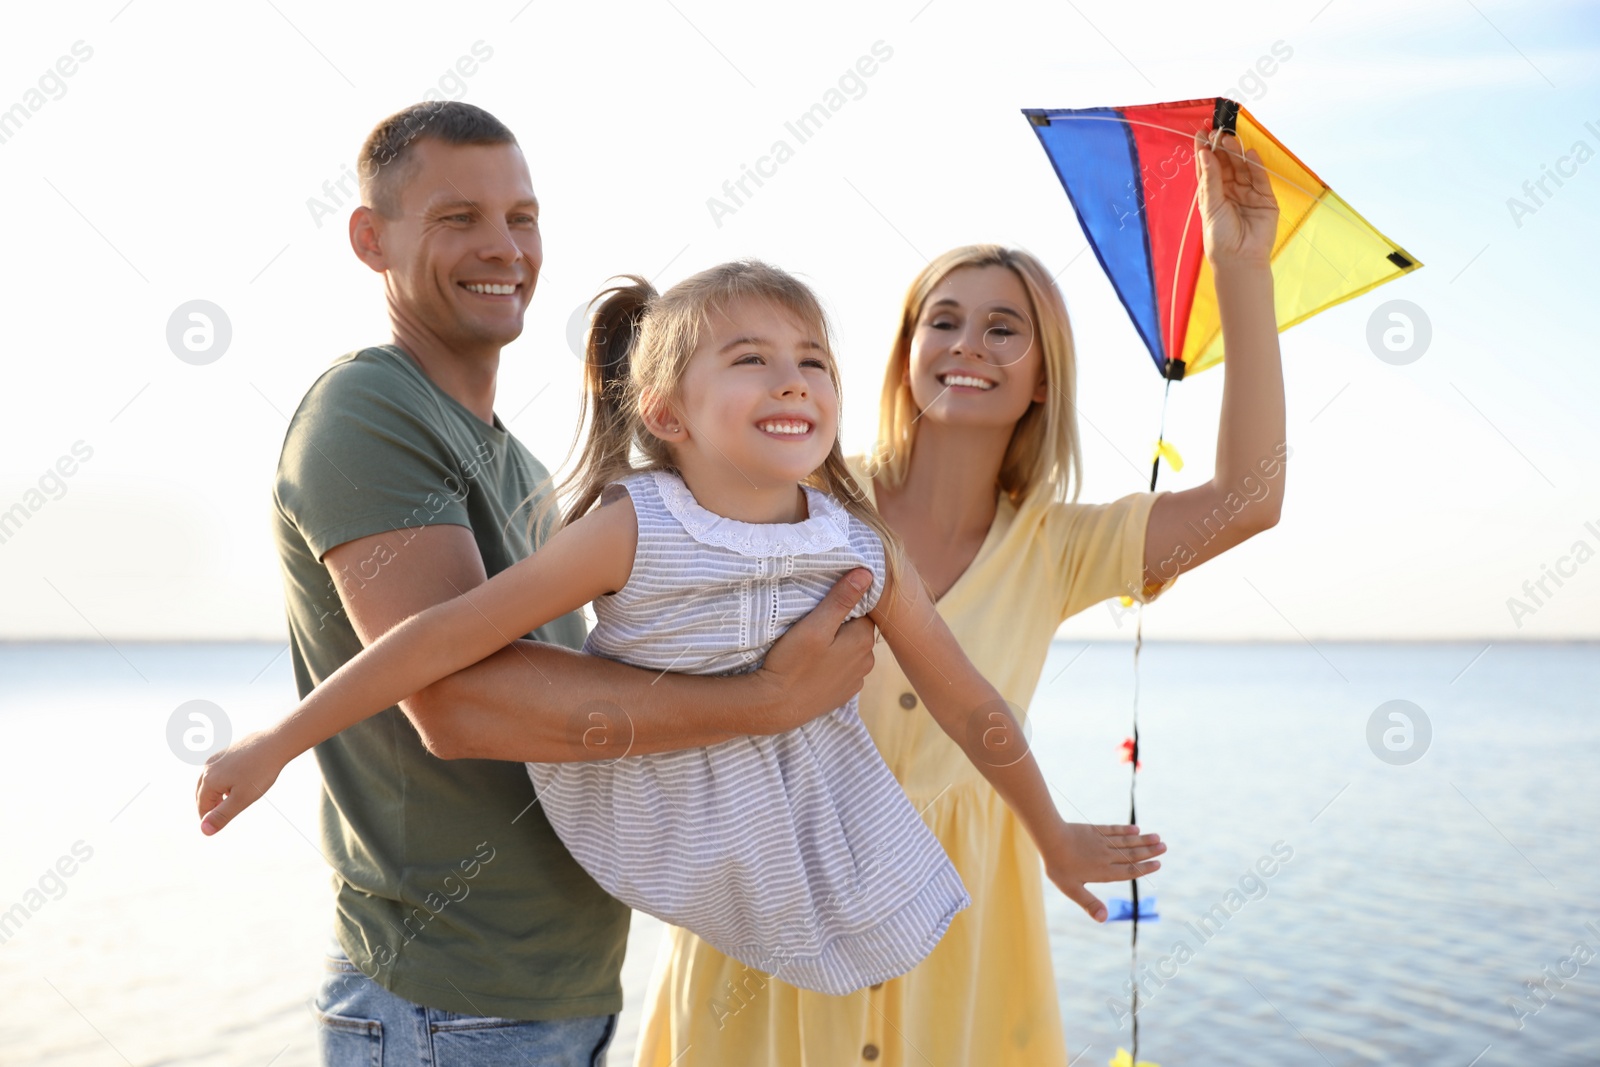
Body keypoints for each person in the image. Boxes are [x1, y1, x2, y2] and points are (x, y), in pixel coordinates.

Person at [198, 260, 1166, 999]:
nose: (793, 384)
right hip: (645, 771)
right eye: (752, 362)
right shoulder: (636, 525)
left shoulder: (854, 540)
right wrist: (280, 740)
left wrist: (1049, 834)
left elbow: (966, 695)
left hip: (794, 779)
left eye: (813, 363)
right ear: (669, 411)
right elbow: (442, 638)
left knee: (891, 933)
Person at [250, 101, 882, 1067]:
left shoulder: (521, 467)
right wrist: (763, 702)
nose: (502, 246)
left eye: (523, 217)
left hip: (554, 992)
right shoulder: (369, 410)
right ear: (371, 239)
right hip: (445, 1000)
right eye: (457, 217)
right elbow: (459, 703)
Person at [636, 128, 1287, 1065]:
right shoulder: (804, 498)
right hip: (775, 901)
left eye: (1003, 327)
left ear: (1040, 377)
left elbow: (1248, 498)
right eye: (943, 320)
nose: (966, 345)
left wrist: (1240, 266)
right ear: (907, 352)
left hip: (959, 926)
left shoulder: (1061, 543)